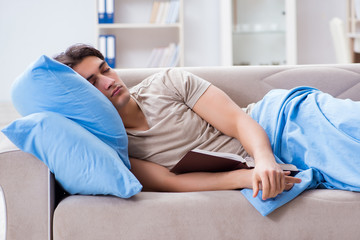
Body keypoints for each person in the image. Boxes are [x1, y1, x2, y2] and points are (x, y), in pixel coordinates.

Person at [54, 44, 302, 201]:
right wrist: (245, 178)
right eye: (92, 83)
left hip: (279, 119)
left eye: (105, 70)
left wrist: (265, 160)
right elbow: (172, 183)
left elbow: (238, 121)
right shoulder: (118, 148)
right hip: (260, 165)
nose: (108, 81)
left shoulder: (167, 82)